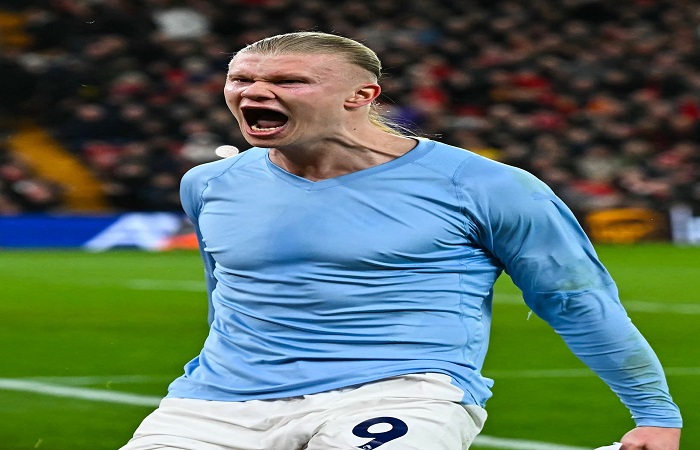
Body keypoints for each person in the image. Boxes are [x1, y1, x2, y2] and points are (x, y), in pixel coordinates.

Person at [120, 31, 682, 450]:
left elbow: (577, 300)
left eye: (289, 82)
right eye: (241, 80)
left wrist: (656, 416)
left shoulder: (484, 186)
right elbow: (226, 297)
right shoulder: (209, 183)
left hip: (401, 393)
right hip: (218, 402)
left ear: (361, 95)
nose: (255, 92)